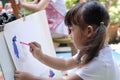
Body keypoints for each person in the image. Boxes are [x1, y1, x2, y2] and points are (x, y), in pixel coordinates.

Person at [14, 1, 120, 80]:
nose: (69, 33)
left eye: (72, 29)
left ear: (89, 31)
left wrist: (30, 78)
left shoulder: (99, 63)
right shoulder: (95, 49)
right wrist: (40, 56)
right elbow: (65, 63)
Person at [4, 0, 69, 38]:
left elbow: (38, 8)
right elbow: (33, 4)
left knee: (30, 34)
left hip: (59, 26)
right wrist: (14, 4)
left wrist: (21, 4)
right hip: (52, 24)